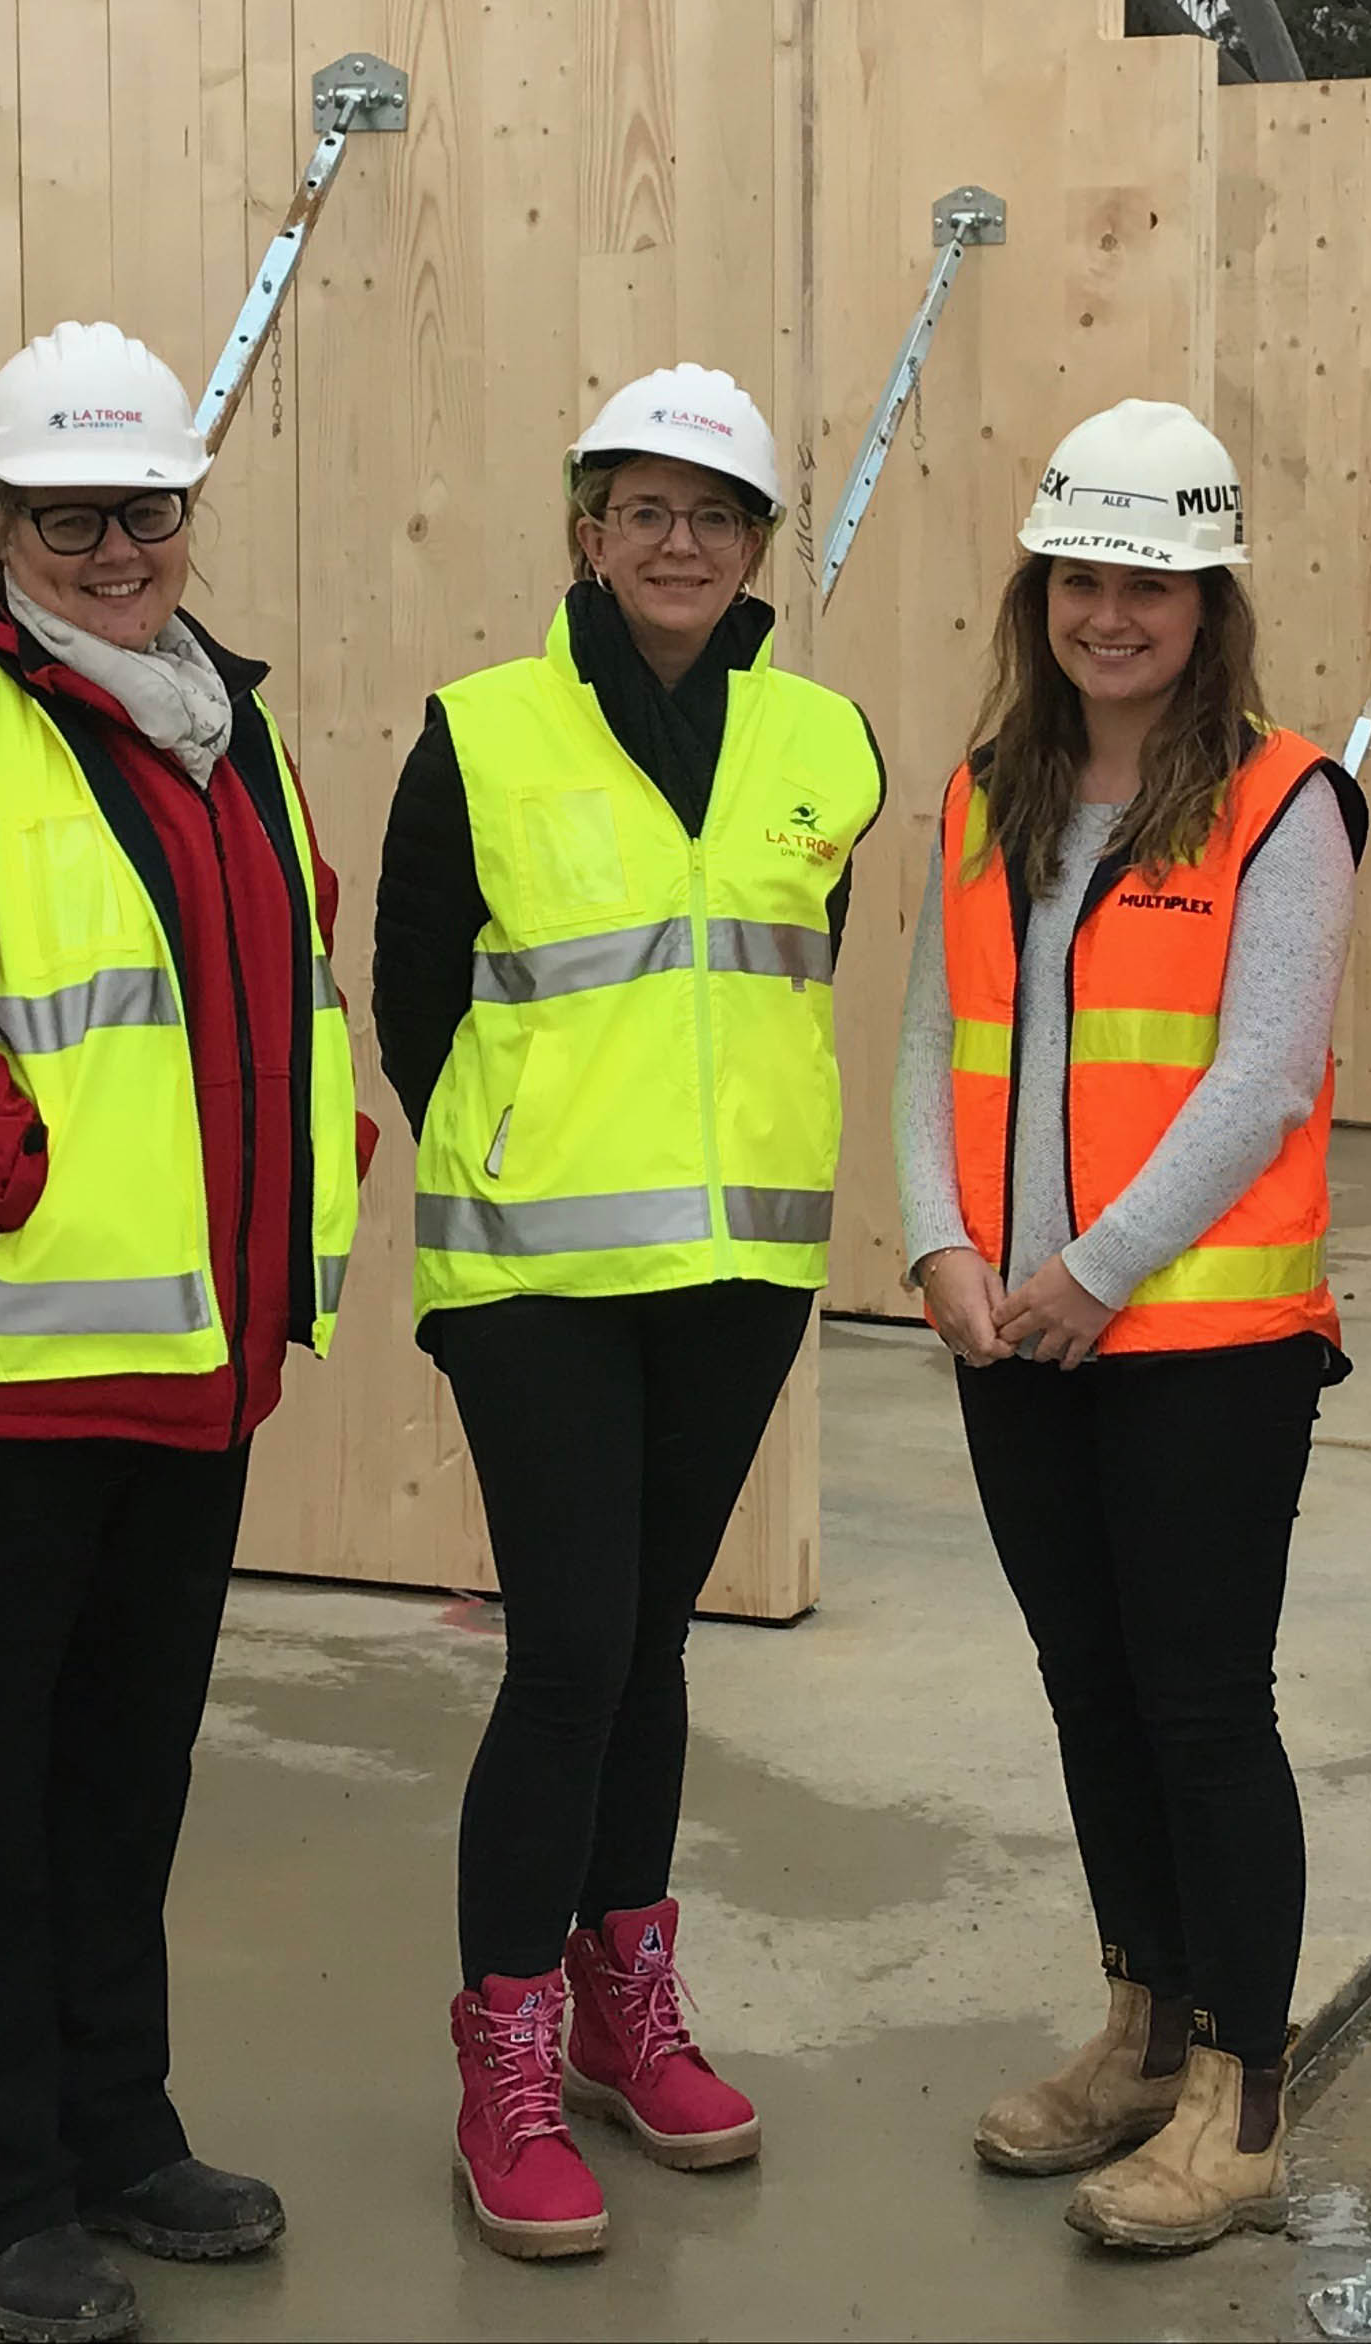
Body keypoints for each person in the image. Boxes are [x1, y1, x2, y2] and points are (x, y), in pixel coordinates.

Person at [0, 318, 363, 2344]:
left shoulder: (226, 720)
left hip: (187, 1370)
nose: (115, 549)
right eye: (70, 517)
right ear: (4, 522)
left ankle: (115, 2131)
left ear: (184, 513)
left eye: (143, 512)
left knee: (120, 1781)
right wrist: (2, 1183)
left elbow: (279, 977)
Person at [368, 363, 885, 2261]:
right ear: (588, 535)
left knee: (650, 1638)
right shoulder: (483, 731)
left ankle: (620, 2006)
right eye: (643, 509)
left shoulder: (825, 742)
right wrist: (509, 1155)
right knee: (574, 1645)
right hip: (534, 1280)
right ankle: (503, 2044)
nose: (679, 543)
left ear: (758, 550)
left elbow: (780, 978)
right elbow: (415, 983)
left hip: (734, 1269)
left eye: (716, 514)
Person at [896, 401, 1362, 2255]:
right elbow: (937, 1033)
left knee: (1200, 1707)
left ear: (1208, 599)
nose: (1115, 613)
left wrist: (1093, 1270)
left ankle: (1244, 2099)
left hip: (1203, 1351)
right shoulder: (988, 786)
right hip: (1011, 1339)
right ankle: (1143, 2028)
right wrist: (940, 1245)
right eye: (1085, 577)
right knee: (1091, 1696)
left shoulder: (1285, 799)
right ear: (1043, 590)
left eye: (1153, 582)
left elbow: (1256, 1080)